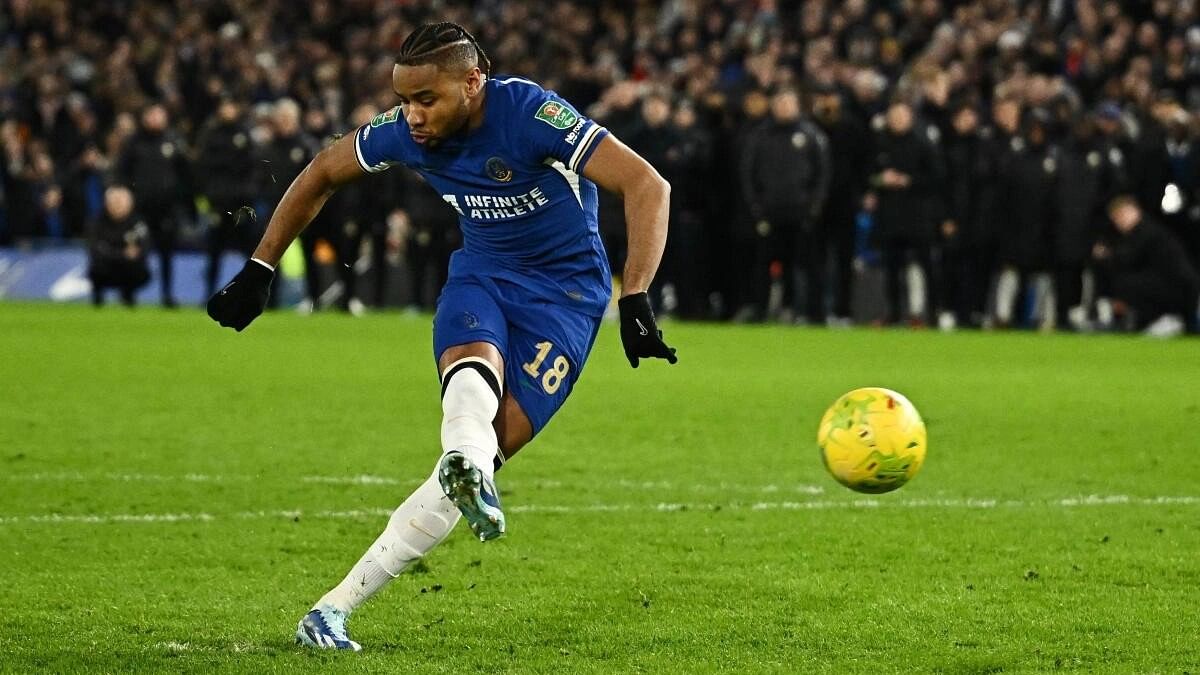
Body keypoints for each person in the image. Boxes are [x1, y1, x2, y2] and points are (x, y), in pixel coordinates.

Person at [205, 22, 678, 651]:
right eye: (404, 101)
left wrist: (637, 293)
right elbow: (321, 171)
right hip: (481, 274)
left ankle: (341, 597)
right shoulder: (404, 132)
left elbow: (648, 184)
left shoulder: (530, 112)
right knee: (470, 383)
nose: (413, 116)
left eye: (426, 100)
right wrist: (261, 266)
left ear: (473, 82)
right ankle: (346, 600)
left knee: (486, 448)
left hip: (565, 299)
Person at [116, 104, 190, 308]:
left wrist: (185, 203)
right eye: (152, 114)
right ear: (145, 117)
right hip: (139, 210)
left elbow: (185, 175)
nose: (156, 118)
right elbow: (122, 172)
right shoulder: (133, 143)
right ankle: (128, 293)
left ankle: (167, 295)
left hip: (166, 209)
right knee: (135, 250)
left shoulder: (173, 141)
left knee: (167, 253)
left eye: (160, 114)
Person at [1093, 195, 1199, 335]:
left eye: (1121, 216)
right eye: (1116, 219)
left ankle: (1166, 319)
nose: (1119, 222)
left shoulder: (1146, 232)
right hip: (1177, 287)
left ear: (1134, 211)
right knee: (1127, 282)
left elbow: (1126, 259)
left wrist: (1105, 255)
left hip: (1180, 290)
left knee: (1126, 284)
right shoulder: (1145, 231)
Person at [87, 185, 149, 306]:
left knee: (137, 268)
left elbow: (146, 246)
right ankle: (98, 299)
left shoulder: (138, 222)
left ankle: (128, 297)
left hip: (128, 268)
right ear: (106, 203)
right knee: (96, 267)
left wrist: (136, 253)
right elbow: (94, 248)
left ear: (130, 203)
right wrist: (122, 254)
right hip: (106, 267)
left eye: (121, 201)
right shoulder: (97, 221)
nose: (117, 205)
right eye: (114, 201)